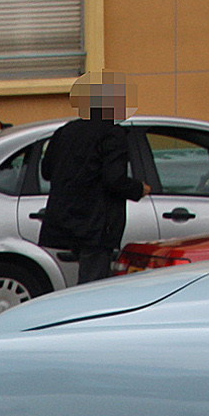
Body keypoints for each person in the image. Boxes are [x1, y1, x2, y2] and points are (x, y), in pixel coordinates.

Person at [37, 73, 150, 284]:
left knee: (91, 281)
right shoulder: (112, 134)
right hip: (97, 225)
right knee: (93, 285)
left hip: (67, 221)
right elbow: (114, 179)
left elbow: (47, 171)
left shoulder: (65, 132)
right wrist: (138, 189)